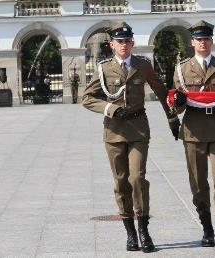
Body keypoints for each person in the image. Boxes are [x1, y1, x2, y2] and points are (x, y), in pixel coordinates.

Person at [80, 21, 176, 253]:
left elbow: (161, 91)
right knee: (121, 182)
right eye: (119, 42)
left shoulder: (143, 65)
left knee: (138, 178)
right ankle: (130, 232)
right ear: (112, 45)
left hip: (138, 129)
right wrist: (110, 109)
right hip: (113, 131)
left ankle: (144, 229)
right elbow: (87, 98)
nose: (124, 45)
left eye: (127, 41)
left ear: (132, 43)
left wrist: (173, 118)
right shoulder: (103, 69)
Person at [170, 20, 215, 247]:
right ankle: (207, 228)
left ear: (212, 41)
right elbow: (177, 107)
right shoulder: (181, 69)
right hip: (193, 130)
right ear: (192, 42)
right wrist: (179, 102)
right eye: (199, 39)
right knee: (198, 182)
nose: (203, 42)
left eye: (207, 39)